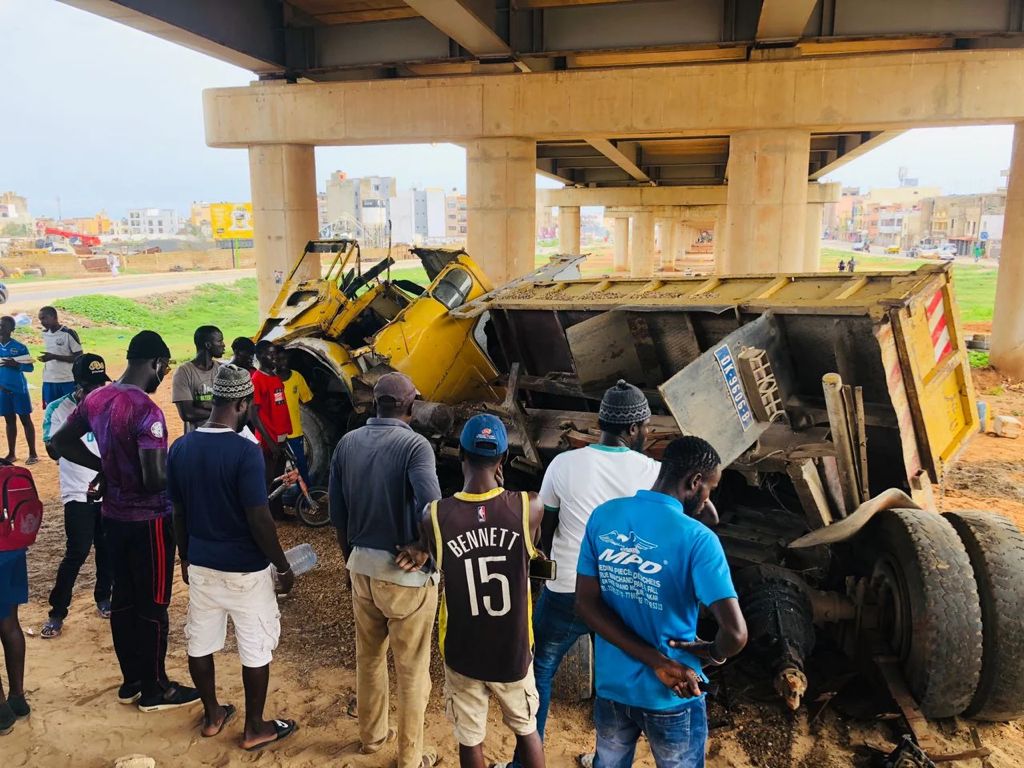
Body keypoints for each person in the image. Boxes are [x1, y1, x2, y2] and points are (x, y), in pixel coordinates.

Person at [507, 380, 662, 766]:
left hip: (567, 589)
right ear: (631, 429)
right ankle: (607, 760)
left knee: (540, 670)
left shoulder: (565, 463)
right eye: (644, 426)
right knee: (615, 682)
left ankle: (528, 761)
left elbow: (548, 522)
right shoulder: (652, 472)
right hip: (621, 595)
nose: (647, 433)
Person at [576, 436, 748, 768]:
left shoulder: (604, 516)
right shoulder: (699, 541)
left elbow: (585, 605)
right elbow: (736, 634)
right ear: (695, 482)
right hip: (673, 693)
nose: (709, 497)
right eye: (710, 487)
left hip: (612, 687)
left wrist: (655, 661)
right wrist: (712, 654)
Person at [51, 330, 200, 712]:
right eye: (164, 368)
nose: (163, 375)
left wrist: (103, 467)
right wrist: (184, 471)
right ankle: (157, 689)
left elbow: (61, 444)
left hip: (112, 517)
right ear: (155, 362)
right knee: (153, 603)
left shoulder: (98, 398)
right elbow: (153, 480)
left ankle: (131, 680)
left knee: (123, 599)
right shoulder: (147, 411)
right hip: (149, 521)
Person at [169, 365, 297, 750]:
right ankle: (255, 726)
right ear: (242, 404)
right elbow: (259, 519)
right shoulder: (246, 451)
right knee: (255, 647)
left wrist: (185, 559)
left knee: (201, 642)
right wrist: (284, 565)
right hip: (245, 571)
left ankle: (212, 715)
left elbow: (178, 513)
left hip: (202, 564)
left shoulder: (181, 447)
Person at [412, 414, 546, 768]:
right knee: (527, 729)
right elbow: (531, 550)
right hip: (513, 648)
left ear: (460, 456)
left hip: (463, 649)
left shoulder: (434, 515)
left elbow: (436, 556)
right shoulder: (529, 506)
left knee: (470, 739)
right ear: (503, 459)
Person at [329, 371, 441, 768]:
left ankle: (372, 737)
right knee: (412, 671)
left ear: (375, 404)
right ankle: (410, 758)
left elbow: (337, 515)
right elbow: (433, 509)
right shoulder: (415, 446)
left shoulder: (346, 443)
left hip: (361, 568)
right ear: (411, 406)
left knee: (370, 658)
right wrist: (424, 550)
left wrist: (348, 563)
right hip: (404, 578)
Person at [40, 354, 113, 639]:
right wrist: (79, 418)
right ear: (78, 384)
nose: (97, 390)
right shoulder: (60, 409)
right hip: (77, 491)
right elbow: (53, 451)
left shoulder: (109, 406)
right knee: (77, 552)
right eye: (90, 385)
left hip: (106, 488)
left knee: (107, 550)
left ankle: (104, 598)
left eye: (100, 384)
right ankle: (57, 612)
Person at [252, 341, 292, 519]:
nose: (274, 357)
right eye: (270, 354)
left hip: (281, 436)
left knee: (278, 477)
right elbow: (254, 414)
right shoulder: (257, 380)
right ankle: (261, 516)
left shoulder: (275, 377)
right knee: (266, 478)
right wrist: (269, 441)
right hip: (268, 439)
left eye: (275, 354)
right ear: (260, 357)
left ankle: (277, 511)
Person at [172, 326, 225, 433]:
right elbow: (187, 413)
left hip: (222, 435)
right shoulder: (184, 372)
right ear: (208, 345)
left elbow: (232, 406)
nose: (223, 345)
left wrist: (204, 405)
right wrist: (221, 412)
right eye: (220, 341)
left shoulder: (223, 370)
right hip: (197, 439)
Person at [0, 316, 37, 465]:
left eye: (3, 326)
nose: (0, 328)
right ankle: (11, 453)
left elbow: (30, 367)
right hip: (2, 390)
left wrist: (16, 364)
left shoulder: (20, 347)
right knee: (9, 421)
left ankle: (33, 453)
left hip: (19, 390)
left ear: (12, 329)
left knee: (25, 420)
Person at [0, 546, 29, 735]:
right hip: (12, 546)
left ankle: (2, 713)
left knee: (9, 623)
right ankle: (17, 699)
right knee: (9, 623)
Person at [275, 346, 313, 487]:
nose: (282, 362)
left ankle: (305, 496)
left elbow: (307, 399)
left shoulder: (296, 377)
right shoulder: (270, 380)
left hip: (295, 431)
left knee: (301, 465)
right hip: (276, 433)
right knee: (278, 467)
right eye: (278, 360)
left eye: (284, 359)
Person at [38, 306, 83, 407]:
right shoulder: (45, 334)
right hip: (49, 380)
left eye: (44, 318)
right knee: (52, 412)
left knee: (70, 410)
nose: (42, 322)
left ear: (54, 317)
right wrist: (47, 358)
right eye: (40, 319)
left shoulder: (68, 333)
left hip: (66, 379)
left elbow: (79, 357)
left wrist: (54, 357)